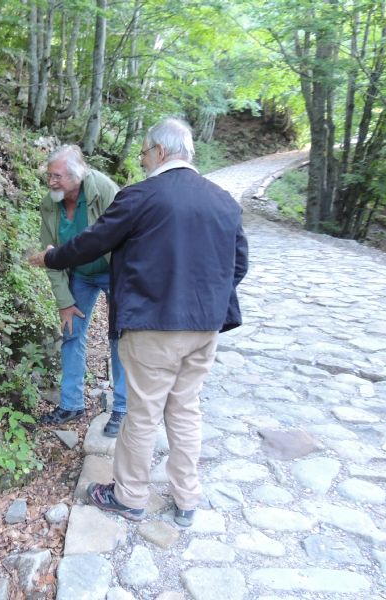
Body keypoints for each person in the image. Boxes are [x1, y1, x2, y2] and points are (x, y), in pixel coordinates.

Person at [29, 119, 248, 527]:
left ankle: (128, 496)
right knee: (184, 411)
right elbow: (239, 266)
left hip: (154, 327)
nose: (143, 159)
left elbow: (94, 241)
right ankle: (186, 498)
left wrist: (50, 257)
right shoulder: (224, 201)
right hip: (204, 330)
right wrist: (202, 302)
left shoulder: (141, 196)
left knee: (143, 413)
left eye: (145, 152)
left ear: (160, 152)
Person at [37, 144, 127, 437]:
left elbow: (127, 237)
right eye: (49, 175)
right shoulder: (50, 204)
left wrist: (124, 288)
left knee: (119, 336)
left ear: (77, 176)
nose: (51, 182)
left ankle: (122, 409)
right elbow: (51, 256)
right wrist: (64, 301)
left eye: (57, 176)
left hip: (114, 271)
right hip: (80, 275)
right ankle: (71, 403)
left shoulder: (103, 190)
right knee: (71, 331)